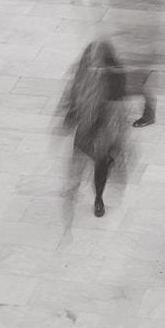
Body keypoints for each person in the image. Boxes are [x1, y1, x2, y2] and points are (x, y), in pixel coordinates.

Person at [58, 39, 130, 221]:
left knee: (101, 164)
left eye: (96, 57)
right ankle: (73, 186)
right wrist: (69, 113)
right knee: (78, 157)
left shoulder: (116, 75)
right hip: (85, 125)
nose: (93, 61)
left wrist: (115, 134)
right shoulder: (82, 73)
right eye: (91, 57)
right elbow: (72, 94)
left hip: (104, 129)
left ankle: (98, 198)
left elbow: (118, 107)